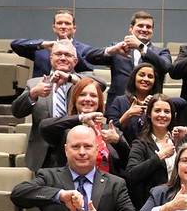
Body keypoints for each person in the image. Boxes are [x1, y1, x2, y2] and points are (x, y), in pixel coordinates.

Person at [11, 40, 106, 172]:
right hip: (44, 153)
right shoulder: (35, 83)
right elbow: (17, 111)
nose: (62, 58)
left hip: (77, 150)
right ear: (51, 58)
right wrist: (33, 94)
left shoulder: (81, 81)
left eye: (67, 55)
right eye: (58, 54)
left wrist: (69, 78)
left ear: (75, 61)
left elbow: (101, 84)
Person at [39, 77, 130, 176]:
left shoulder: (111, 130)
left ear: (99, 101)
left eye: (93, 95)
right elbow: (44, 126)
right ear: (74, 100)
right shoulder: (64, 130)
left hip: (105, 188)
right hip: (70, 189)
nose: (87, 99)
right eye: (82, 95)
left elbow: (129, 162)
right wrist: (81, 118)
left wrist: (118, 141)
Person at [83, 11, 172, 108]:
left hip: (150, 107)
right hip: (118, 105)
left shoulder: (161, 52)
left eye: (148, 27)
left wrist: (141, 46)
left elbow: (166, 67)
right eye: (140, 26)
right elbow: (90, 57)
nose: (144, 29)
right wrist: (112, 50)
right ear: (131, 28)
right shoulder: (118, 49)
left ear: (152, 31)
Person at [106, 62, 186, 144]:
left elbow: (182, 102)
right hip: (125, 149)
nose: (146, 79)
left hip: (154, 149)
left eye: (150, 76)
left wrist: (155, 101)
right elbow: (112, 130)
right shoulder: (120, 101)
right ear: (134, 78)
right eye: (142, 75)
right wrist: (128, 114)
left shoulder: (157, 101)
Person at [11, 9, 94, 78]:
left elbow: (88, 71)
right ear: (54, 28)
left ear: (74, 29)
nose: (63, 26)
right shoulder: (42, 49)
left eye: (67, 23)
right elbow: (15, 45)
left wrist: (71, 49)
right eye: (59, 23)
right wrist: (42, 44)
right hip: (44, 92)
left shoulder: (85, 49)